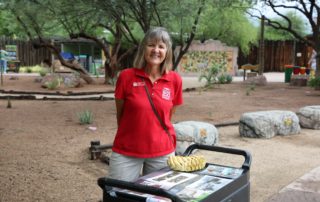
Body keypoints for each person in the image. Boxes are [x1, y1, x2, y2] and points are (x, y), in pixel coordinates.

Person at [108, 27, 183, 182]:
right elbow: (120, 114)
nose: (156, 50)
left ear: (167, 52)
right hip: (126, 151)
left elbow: (168, 116)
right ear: (143, 48)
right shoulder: (126, 77)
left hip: (162, 152)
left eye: (161, 46)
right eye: (151, 45)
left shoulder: (175, 80)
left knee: (159, 198)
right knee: (119, 195)